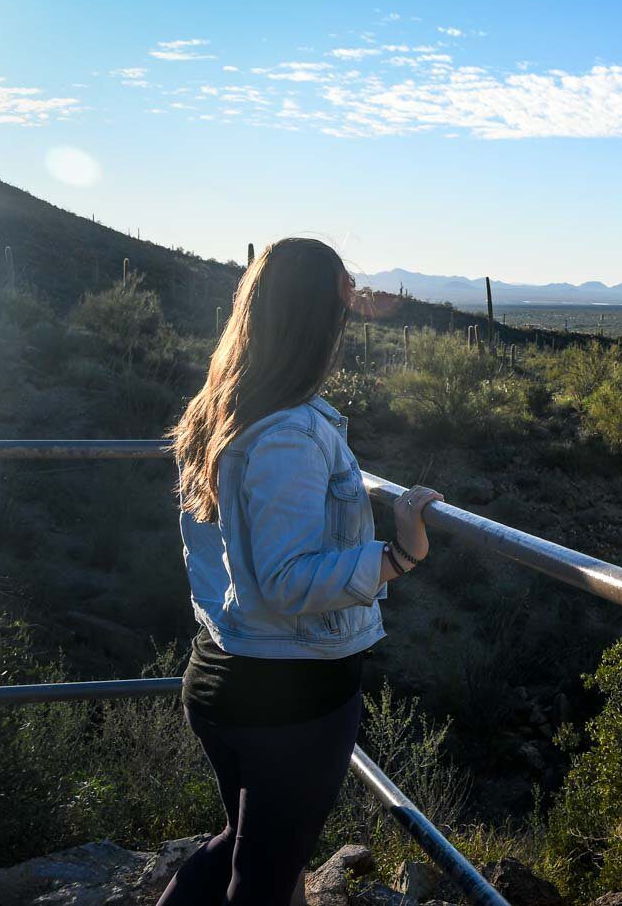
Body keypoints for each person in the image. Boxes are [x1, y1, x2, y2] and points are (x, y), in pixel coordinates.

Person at [159, 237, 442, 905]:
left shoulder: (220, 408)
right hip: (288, 696)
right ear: (317, 323)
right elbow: (288, 580)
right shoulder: (289, 432)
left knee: (245, 848)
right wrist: (396, 557)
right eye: (340, 311)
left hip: (226, 672)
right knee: (261, 878)